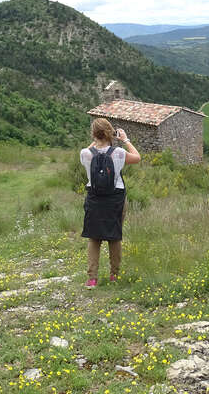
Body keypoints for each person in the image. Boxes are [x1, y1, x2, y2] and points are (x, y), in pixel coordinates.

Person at [80, 118, 141, 289]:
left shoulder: (85, 153)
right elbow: (137, 157)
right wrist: (125, 140)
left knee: (94, 238)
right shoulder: (119, 153)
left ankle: (92, 279)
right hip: (115, 198)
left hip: (94, 198)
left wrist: (97, 138)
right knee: (114, 237)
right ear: (110, 133)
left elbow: (92, 148)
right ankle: (114, 276)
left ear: (93, 134)